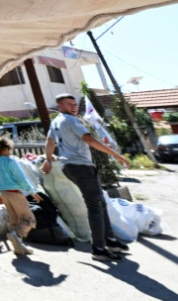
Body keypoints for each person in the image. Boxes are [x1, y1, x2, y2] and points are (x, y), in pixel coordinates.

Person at [41, 93, 131, 262]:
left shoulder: (56, 122)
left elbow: (50, 142)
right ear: (59, 106)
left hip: (70, 167)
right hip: (81, 167)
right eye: (69, 104)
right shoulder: (70, 120)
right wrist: (116, 156)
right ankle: (98, 249)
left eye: (75, 104)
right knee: (95, 207)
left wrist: (48, 161)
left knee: (100, 203)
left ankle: (110, 240)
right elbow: (88, 139)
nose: (74, 107)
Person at [0, 137, 43, 255]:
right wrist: (32, 192)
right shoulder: (10, 161)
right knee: (29, 219)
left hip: (4, 194)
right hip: (15, 193)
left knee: (14, 220)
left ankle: (19, 247)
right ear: (6, 149)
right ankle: (16, 235)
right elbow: (20, 178)